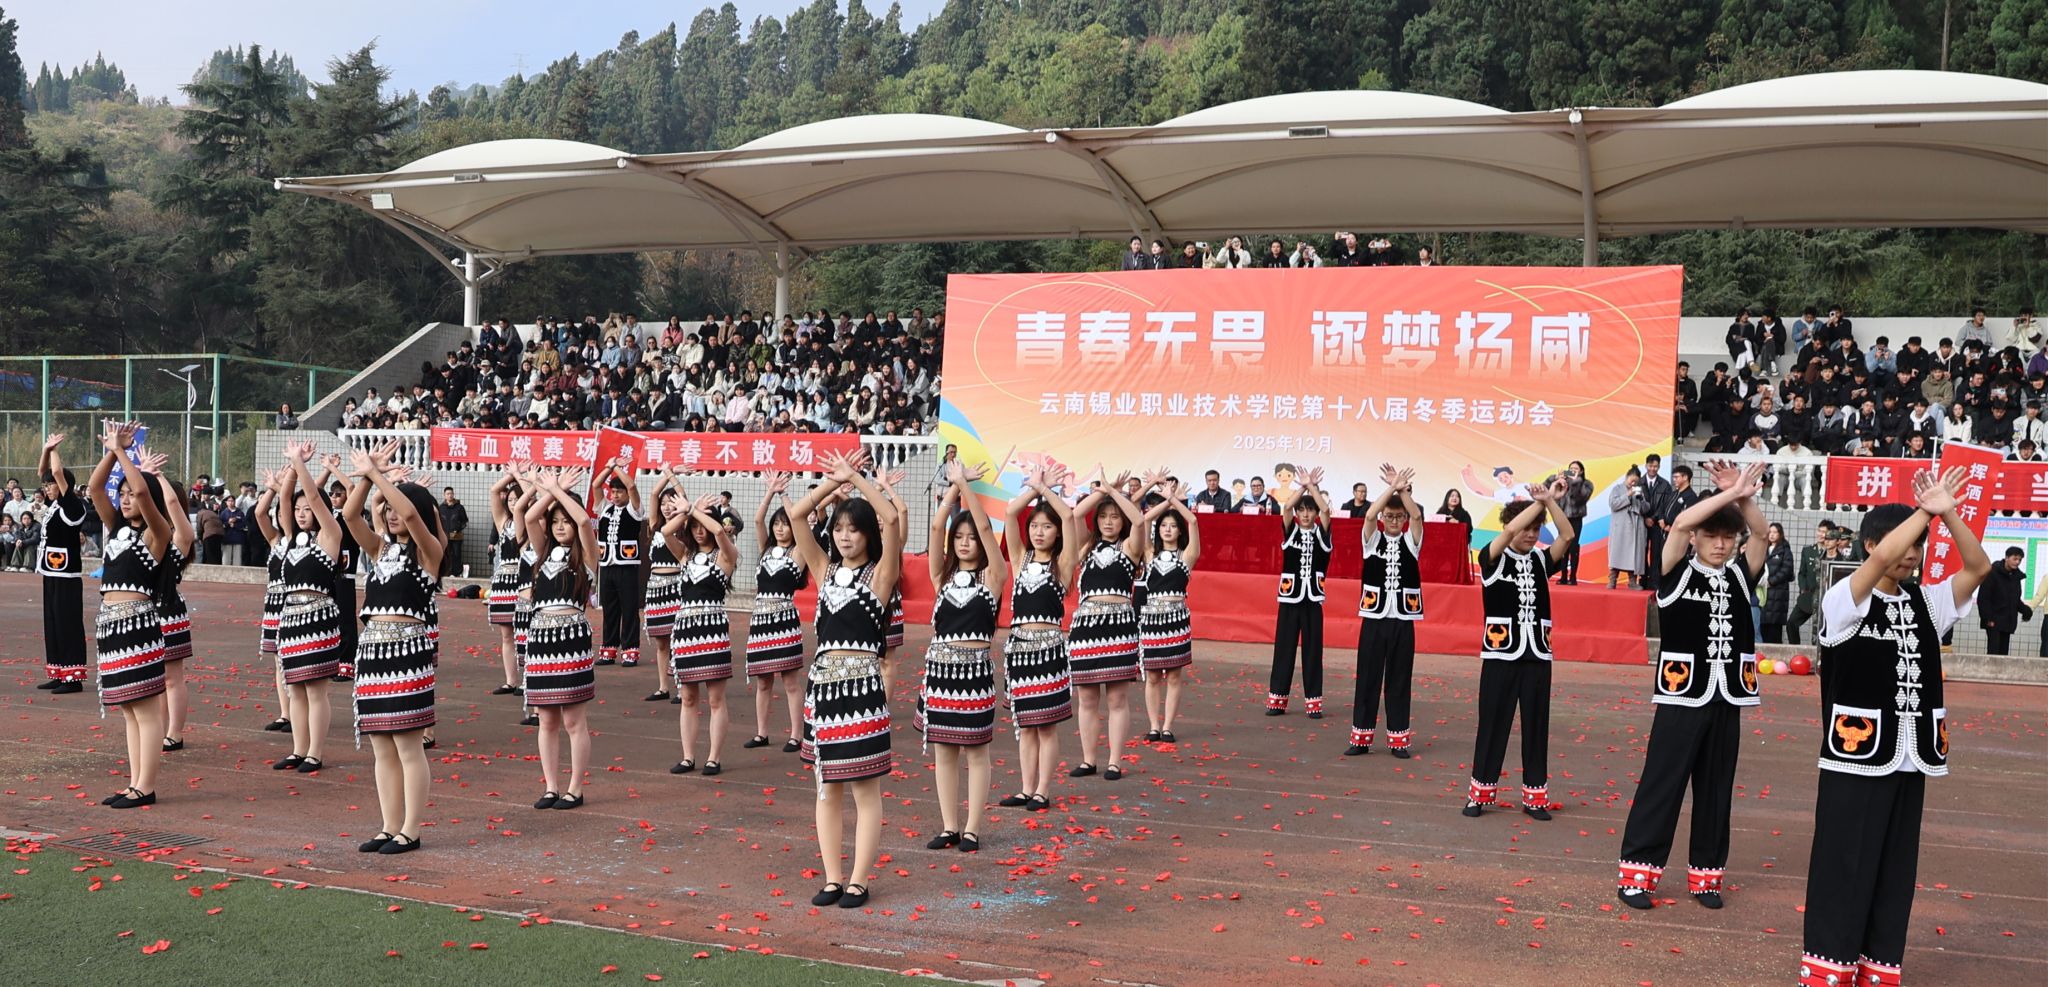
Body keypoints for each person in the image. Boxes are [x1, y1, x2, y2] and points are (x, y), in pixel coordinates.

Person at [1799, 467, 1991, 987]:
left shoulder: (1928, 602)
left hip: (1912, 755)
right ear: (1869, 545)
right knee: (1844, 861)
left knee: (1894, 866)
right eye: (1905, 543)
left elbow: (1978, 566)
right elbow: (1884, 558)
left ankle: (1879, 966)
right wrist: (1924, 511)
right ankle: (1827, 966)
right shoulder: (1845, 598)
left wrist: (1947, 513)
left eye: (1919, 546)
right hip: (1854, 753)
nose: (1912, 554)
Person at [1616, 461, 1768, 911]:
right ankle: (1637, 875)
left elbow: (1760, 535)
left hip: (1727, 697)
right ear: (1697, 539)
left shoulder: (1739, 575)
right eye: (1712, 536)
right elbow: (1680, 523)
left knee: (1716, 789)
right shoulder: (1675, 573)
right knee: (1662, 783)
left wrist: (1744, 496)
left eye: (1728, 537)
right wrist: (1727, 495)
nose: (1721, 544)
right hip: (1681, 696)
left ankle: (1707, 877)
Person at [786, 449, 903, 910]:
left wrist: (857, 478)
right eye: (839, 529)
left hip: (862, 690)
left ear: (867, 534)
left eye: (853, 529)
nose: (845, 536)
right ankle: (833, 878)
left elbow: (891, 519)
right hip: (824, 691)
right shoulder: (824, 569)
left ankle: (859, 880)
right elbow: (798, 515)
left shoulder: (881, 576)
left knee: (864, 789)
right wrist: (834, 484)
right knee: (827, 787)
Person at [339, 442, 447, 853]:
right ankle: (388, 826)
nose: (390, 514)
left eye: (395, 508)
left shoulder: (430, 553)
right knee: (381, 746)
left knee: (407, 744)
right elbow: (350, 515)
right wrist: (369, 479)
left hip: (407, 655)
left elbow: (412, 515)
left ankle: (411, 830)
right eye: (385, 510)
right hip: (372, 654)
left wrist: (379, 476)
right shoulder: (379, 549)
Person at [1464, 475, 1576, 821]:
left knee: (1536, 726)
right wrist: (1538, 503)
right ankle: (1480, 794)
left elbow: (1567, 535)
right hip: (1500, 654)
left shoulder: (1541, 561)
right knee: (1492, 724)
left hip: (1537, 655)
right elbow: (1511, 529)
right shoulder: (1492, 558)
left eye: (1536, 529)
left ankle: (1535, 797)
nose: (1530, 534)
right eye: (1528, 528)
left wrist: (1551, 502)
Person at [920, 461, 1008, 853]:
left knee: (976, 752)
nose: (965, 542)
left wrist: (966, 488)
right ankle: (949, 826)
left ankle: (971, 829)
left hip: (975, 677)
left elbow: (987, 529)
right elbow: (936, 527)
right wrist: (954, 489)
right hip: (939, 676)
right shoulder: (941, 578)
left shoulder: (993, 577)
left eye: (971, 537)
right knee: (944, 753)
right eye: (960, 537)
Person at [517, 464, 600, 809]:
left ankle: (575, 789)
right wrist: (551, 492)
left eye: (565, 521)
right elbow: (529, 517)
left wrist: (559, 492)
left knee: (573, 719)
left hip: (572, 640)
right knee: (547, 719)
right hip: (540, 641)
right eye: (556, 521)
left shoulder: (588, 555)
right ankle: (551, 787)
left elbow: (584, 522)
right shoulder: (542, 551)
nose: (561, 526)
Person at [1001, 467, 1080, 815]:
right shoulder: (1021, 559)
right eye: (1034, 526)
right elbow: (1010, 513)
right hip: (1019, 650)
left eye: (1046, 527)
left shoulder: (1063, 564)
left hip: (1048, 651)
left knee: (1045, 726)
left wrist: (1046, 491)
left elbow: (1069, 516)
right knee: (1025, 725)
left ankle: (1042, 791)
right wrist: (1034, 489)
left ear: (1057, 533)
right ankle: (1025, 788)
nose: (1039, 532)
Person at [1067, 471, 1154, 781]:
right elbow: (1075, 514)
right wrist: (1103, 491)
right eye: (1103, 516)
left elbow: (1139, 521)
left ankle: (1115, 761)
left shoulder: (1130, 547)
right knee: (1087, 699)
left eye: (1115, 517)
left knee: (1117, 699)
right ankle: (1089, 760)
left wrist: (1117, 495)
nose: (1108, 522)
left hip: (1119, 628)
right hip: (1086, 629)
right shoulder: (1085, 547)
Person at [654, 468, 738, 777]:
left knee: (715, 698)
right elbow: (665, 532)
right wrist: (686, 513)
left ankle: (714, 757)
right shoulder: (685, 554)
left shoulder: (726, 555)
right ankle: (688, 756)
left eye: (703, 525)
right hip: (685, 630)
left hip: (713, 629)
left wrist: (696, 511)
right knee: (688, 697)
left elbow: (719, 533)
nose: (699, 531)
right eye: (694, 527)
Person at [269, 442, 344, 774]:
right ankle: (298, 750)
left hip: (318, 619)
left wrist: (301, 465)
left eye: (307, 509)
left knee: (314, 690)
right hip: (290, 619)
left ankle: (315, 753)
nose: (301, 513)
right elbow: (285, 499)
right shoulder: (290, 539)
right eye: (298, 510)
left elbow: (313, 496)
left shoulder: (330, 535)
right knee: (295, 689)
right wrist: (291, 468)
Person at [1349, 464, 1423, 758]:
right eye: (1389, 516)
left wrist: (1403, 491)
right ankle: (1361, 739)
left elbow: (1417, 516)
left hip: (1402, 620)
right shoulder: (1372, 541)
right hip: (1374, 619)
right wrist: (1392, 487)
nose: (1394, 520)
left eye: (1398, 516)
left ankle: (1398, 740)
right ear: (1383, 518)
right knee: (1368, 677)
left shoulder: (1411, 542)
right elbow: (1368, 516)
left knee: (1399, 680)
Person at [741, 473, 807, 752]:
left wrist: (784, 494)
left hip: (785, 620)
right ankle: (761, 733)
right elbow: (758, 520)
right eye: (777, 524)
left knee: (790, 681)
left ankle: (797, 735)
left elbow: (799, 521)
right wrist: (770, 491)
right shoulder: (766, 549)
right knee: (763, 681)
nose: (780, 528)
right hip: (760, 620)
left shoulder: (799, 552)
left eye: (785, 524)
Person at [1138, 481, 1200, 744]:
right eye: (1164, 525)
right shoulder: (1149, 553)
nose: (1167, 529)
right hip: (1152, 619)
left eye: (1173, 526)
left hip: (1177, 620)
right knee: (1152, 676)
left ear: (1179, 531)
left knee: (1174, 676)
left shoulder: (1187, 555)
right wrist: (1166, 501)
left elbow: (1193, 521)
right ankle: (1154, 726)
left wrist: (1175, 501)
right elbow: (1143, 521)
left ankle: (1167, 727)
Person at [1266, 469, 1332, 718]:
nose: (1305, 515)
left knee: (1313, 651)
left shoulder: (1322, 534)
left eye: (1309, 510)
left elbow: (1326, 512)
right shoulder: (1291, 531)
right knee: (1284, 648)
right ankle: (1277, 700)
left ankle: (1313, 702)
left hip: (1313, 599)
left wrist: (1312, 488)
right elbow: (1285, 508)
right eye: (1302, 510)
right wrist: (1303, 487)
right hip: (1290, 598)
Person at [32, 432, 88, 694]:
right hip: (51, 572)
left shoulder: (73, 506)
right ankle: (58, 671)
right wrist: (45, 450)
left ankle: (73, 677)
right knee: (52, 622)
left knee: (68, 623)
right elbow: (44, 471)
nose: (47, 488)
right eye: (45, 486)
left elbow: (55, 471)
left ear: (64, 485)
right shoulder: (54, 505)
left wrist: (54, 449)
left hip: (67, 575)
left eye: (51, 485)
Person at [592, 455, 646, 666]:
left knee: (629, 608)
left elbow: (631, 485)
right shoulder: (605, 508)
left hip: (627, 566)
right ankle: (609, 648)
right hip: (607, 565)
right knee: (610, 608)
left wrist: (617, 468)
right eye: (612, 492)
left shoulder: (634, 509)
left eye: (618, 492)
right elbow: (596, 485)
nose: (614, 495)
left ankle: (630, 649)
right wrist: (609, 467)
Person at [485, 471, 527, 697]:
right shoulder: (503, 522)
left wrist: (521, 478)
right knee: (507, 634)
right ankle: (511, 681)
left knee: (526, 633)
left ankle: (528, 679)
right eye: (510, 499)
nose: (513, 503)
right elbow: (494, 491)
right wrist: (511, 474)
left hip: (524, 581)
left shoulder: (532, 520)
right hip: (503, 581)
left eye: (517, 499)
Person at [1978, 547, 2031, 656]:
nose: (2017, 562)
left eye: (2020, 560)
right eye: (2015, 559)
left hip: (2007, 621)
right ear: (2006, 558)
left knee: (2003, 655)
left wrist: (2026, 610)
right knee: (1994, 652)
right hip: (1993, 620)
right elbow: (1984, 598)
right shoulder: (1992, 573)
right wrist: (1987, 618)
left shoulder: (2016, 577)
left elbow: (2014, 599)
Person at [1606, 467, 1648, 589]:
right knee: (1617, 553)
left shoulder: (1639, 491)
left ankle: (1632, 581)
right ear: (1626, 477)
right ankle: (1612, 579)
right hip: (1621, 527)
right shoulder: (1617, 489)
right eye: (1631, 480)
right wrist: (1628, 495)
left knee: (1633, 555)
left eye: (1636, 481)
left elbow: (1645, 509)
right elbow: (1613, 504)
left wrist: (1642, 500)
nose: (1633, 483)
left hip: (1635, 528)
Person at [1640, 454, 1675, 592]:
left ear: (1659, 467)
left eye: (1656, 466)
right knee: (1641, 552)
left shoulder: (1665, 485)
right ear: (1646, 466)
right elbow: (1635, 503)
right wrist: (1644, 518)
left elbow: (1666, 505)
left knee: (1656, 554)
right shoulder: (1639, 483)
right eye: (1650, 466)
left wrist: (1653, 518)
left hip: (1656, 525)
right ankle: (1642, 579)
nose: (1653, 469)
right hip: (1641, 524)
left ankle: (1654, 581)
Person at [1558, 461, 1593, 585]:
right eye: (1571, 468)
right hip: (1563, 518)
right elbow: (1556, 498)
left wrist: (1575, 482)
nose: (1572, 471)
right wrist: (1559, 480)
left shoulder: (1587, 484)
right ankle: (1563, 576)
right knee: (1563, 547)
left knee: (1573, 547)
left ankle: (1572, 576)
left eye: (1576, 469)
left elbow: (1580, 498)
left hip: (1576, 518)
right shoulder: (1563, 483)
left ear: (1581, 471)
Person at [1761, 523, 1795, 644]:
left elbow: (1786, 570)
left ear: (1780, 534)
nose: (1772, 535)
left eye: (1775, 532)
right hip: (1764, 590)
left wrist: (1771, 581)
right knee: (1763, 625)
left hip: (1778, 592)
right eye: (1770, 532)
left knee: (1774, 627)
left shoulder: (1785, 551)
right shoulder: (1764, 548)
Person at [437, 487, 469, 578]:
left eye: (451, 493)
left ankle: (456, 573)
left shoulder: (459, 507)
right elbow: (438, 521)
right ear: (444, 495)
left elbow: (464, 521)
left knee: (457, 554)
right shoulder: (441, 508)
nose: (450, 495)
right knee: (446, 554)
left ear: (453, 494)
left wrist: (457, 529)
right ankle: (446, 572)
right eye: (448, 494)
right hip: (444, 535)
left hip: (457, 534)